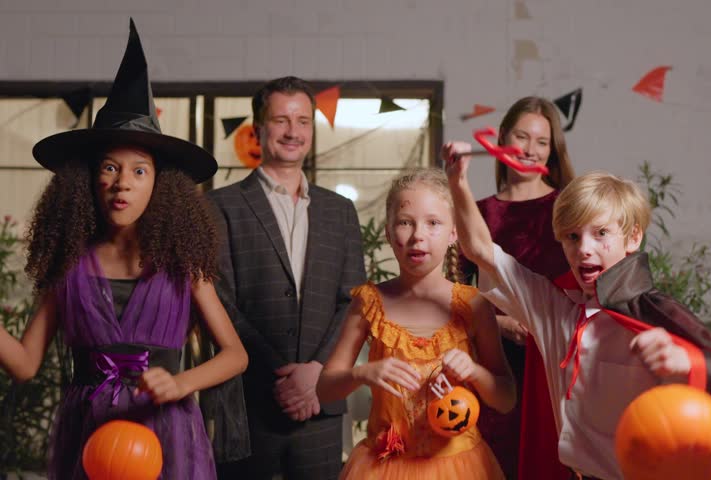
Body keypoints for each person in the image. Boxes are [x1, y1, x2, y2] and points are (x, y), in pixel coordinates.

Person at [0, 20, 248, 480]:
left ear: (160, 184)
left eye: (140, 171)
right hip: (87, 435)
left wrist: (180, 382)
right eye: (110, 167)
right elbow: (25, 364)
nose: (122, 183)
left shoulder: (182, 265)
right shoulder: (69, 266)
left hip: (167, 431)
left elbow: (235, 354)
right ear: (89, 180)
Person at [445, 160, 711, 480]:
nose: (584, 250)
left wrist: (687, 361)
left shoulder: (657, 318)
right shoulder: (555, 310)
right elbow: (480, 249)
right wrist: (458, 182)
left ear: (632, 238)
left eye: (601, 233)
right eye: (572, 237)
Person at [209, 76, 366, 480]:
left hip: (321, 402)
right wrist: (283, 378)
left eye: (302, 121)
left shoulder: (340, 211)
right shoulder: (221, 206)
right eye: (280, 120)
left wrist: (315, 373)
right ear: (258, 129)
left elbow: (354, 301)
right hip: (251, 401)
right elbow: (221, 302)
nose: (292, 131)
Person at [316, 168, 516, 479]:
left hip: (460, 466)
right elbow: (325, 389)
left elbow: (506, 398)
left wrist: (474, 372)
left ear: (454, 234)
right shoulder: (369, 303)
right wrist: (364, 372)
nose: (418, 235)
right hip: (383, 466)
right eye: (405, 222)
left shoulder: (474, 304)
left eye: (433, 223)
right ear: (388, 232)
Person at [446, 96, 574, 480]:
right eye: (522, 136)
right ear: (501, 139)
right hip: (495, 361)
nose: (530, 150)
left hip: (556, 358)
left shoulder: (568, 209)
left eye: (542, 142)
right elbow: (455, 291)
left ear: (552, 151)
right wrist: (497, 325)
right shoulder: (477, 211)